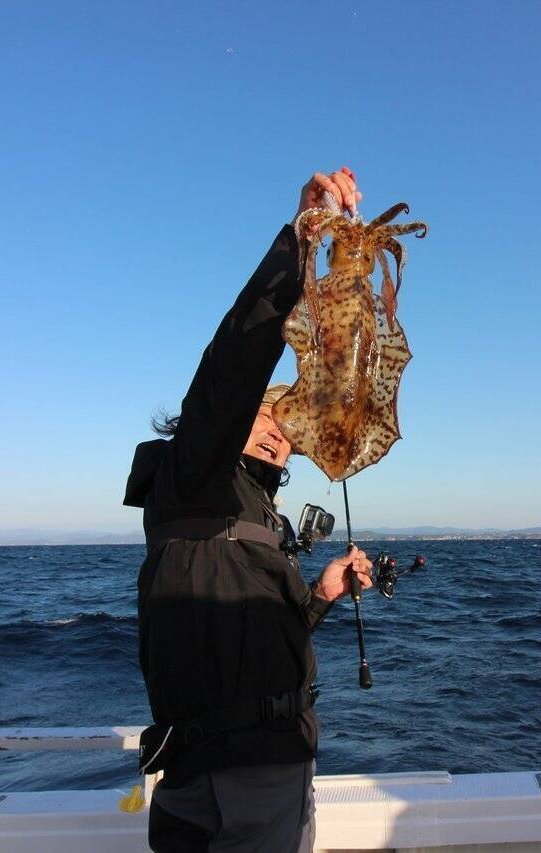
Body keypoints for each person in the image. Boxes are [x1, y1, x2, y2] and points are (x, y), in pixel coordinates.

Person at [123, 168, 375, 852]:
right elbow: (234, 362)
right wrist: (303, 239)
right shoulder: (197, 472)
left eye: (287, 426)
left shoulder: (251, 511)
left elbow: (250, 639)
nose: (278, 431)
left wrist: (320, 594)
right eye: (265, 414)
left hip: (232, 766)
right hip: (244, 780)